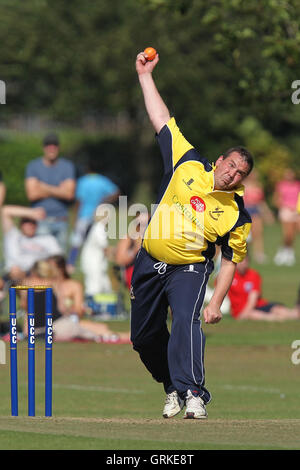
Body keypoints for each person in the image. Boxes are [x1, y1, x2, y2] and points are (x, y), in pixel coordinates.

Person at [130, 50, 253, 420]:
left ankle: (195, 393)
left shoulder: (236, 213)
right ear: (219, 160)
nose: (232, 174)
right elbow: (161, 119)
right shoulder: (187, 162)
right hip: (150, 261)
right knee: (143, 338)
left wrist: (216, 302)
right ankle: (171, 387)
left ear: (242, 181)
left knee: (186, 319)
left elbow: (231, 261)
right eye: (230, 165)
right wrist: (144, 76)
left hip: (190, 268)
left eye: (240, 174)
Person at [20, 256, 131, 343]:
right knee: (94, 331)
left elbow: (26, 310)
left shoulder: (25, 285)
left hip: (36, 330)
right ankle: (115, 337)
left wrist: (27, 333)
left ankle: (116, 335)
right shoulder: (53, 285)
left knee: (95, 327)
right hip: (59, 326)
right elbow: (62, 309)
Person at [25, 133, 76, 252]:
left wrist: (42, 186)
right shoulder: (33, 166)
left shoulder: (67, 166)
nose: (51, 149)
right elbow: (32, 195)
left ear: (58, 148)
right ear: (44, 148)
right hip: (41, 219)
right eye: (48, 146)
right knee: (42, 259)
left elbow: (69, 194)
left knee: (59, 260)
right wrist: (59, 189)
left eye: (54, 146)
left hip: (61, 220)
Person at [67, 159, 120, 273]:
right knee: (96, 240)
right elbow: (116, 192)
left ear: (87, 169)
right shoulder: (102, 180)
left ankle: (71, 264)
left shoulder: (82, 181)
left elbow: (79, 201)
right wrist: (104, 201)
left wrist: (75, 217)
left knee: (77, 240)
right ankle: (100, 262)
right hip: (98, 216)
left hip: (84, 215)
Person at [228, 254, 300, 321]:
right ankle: (275, 319)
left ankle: (296, 312)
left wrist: (245, 313)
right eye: (241, 261)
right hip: (240, 310)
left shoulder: (253, 275)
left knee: (282, 311)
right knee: (254, 315)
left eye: (245, 261)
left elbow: (253, 298)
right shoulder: (229, 276)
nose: (243, 264)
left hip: (258, 305)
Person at [1, 205, 62, 281]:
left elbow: (58, 259)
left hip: (41, 274)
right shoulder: (13, 236)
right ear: (20, 224)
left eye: (33, 222)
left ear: (37, 224)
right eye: (26, 221)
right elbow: (5, 211)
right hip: (16, 275)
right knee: (15, 271)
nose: (30, 225)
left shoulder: (48, 239)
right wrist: (31, 213)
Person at [243, 169, 274, 264]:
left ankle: (259, 254)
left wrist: (268, 213)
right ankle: (244, 254)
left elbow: (261, 202)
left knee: (258, 234)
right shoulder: (242, 185)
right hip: (245, 211)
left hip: (255, 211)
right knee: (244, 235)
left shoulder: (258, 186)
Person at [273, 168, 300, 266]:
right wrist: (286, 206)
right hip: (286, 210)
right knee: (288, 233)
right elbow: (277, 199)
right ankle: (284, 252)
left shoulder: (297, 185)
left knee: (294, 233)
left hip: (296, 211)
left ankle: (288, 252)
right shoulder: (281, 185)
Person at [115, 212, 149, 290]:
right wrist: (135, 250)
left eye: (147, 224)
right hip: (135, 278)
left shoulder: (155, 238)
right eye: (141, 224)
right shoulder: (129, 238)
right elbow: (119, 260)